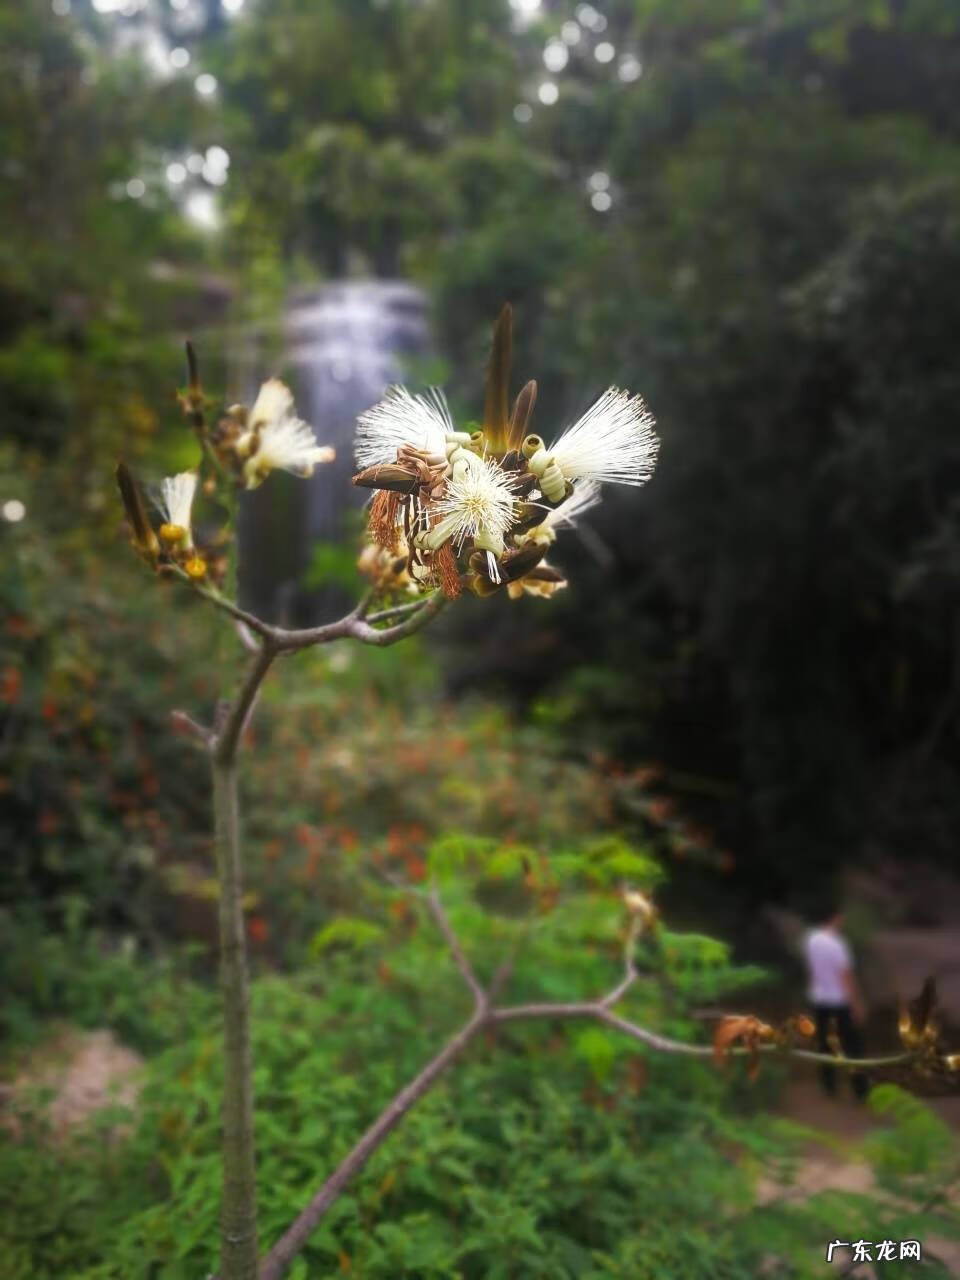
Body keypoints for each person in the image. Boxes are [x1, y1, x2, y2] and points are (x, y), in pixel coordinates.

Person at [804, 906, 870, 1101]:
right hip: (840, 1001)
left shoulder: (812, 939)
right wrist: (857, 1004)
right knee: (853, 1046)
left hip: (819, 1000)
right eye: (841, 917)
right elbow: (846, 977)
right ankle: (861, 1091)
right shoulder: (838, 944)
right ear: (835, 918)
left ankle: (828, 1087)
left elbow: (811, 969)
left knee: (824, 1043)